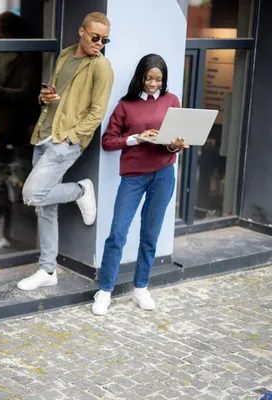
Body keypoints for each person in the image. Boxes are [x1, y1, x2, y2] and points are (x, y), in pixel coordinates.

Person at [17, 12, 114, 291]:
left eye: (105, 40)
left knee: (32, 194)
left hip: (65, 141)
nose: (99, 43)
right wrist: (43, 97)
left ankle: (81, 191)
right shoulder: (65, 55)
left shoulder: (101, 68)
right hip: (44, 133)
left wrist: (72, 139)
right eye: (95, 37)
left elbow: (97, 112)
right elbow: (53, 94)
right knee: (45, 208)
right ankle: (48, 270)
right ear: (81, 31)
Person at [92, 54, 188, 316]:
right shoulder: (126, 105)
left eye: (159, 79)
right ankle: (105, 290)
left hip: (164, 174)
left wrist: (174, 145)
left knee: (150, 234)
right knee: (118, 233)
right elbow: (108, 142)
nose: (153, 83)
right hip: (133, 176)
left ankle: (141, 287)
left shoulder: (172, 101)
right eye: (149, 78)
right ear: (141, 77)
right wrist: (137, 138)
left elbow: (172, 142)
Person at [0, 11, 42, 250]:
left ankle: (20, 239)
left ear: (8, 34)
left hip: (19, 131)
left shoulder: (26, 58)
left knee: (19, 187)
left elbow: (25, 94)